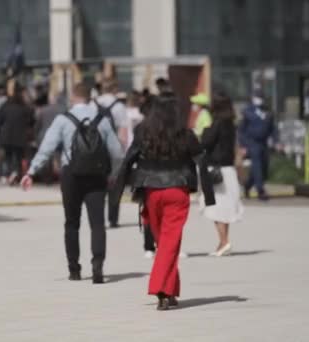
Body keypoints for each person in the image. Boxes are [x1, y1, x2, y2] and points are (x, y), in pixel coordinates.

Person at [111, 94, 215, 310]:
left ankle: (170, 292)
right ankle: (161, 290)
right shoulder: (185, 134)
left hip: (151, 192)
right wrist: (209, 193)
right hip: (177, 191)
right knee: (169, 244)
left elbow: (128, 160)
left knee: (165, 244)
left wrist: (116, 193)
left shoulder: (142, 132)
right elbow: (201, 160)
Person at [21, 83, 123, 284]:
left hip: (71, 176)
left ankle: (74, 269)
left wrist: (31, 171)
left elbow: (46, 148)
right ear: (90, 97)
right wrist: (114, 174)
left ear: (72, 98)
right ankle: (98, 266)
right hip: (97, 175)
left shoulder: (62, 119)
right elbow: (117, 152)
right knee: (98, 223)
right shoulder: (102, 119)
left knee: (71, 223)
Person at [200, 91, 245, 256]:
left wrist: (204, 131)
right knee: (225, 208)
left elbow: (206, 142)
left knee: (215, 208)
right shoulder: (231, 124)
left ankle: (225, 241)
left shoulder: (217, 124)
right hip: (228, 169)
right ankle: (222, 242)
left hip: (216, 170)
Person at [96, 78, 129, 228]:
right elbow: (123, 132)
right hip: (114, 149)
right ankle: (113, 218)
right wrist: (123, 151)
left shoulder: (94, 103)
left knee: (97, 184)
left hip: (96, 149)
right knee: (115, 184)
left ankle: (97, 216)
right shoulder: (119, 106)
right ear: (115, 89)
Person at [239, 92, 277, 200]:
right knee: (257, 166)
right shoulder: (248, 112)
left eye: (261, 98)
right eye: (257, 97)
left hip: (264, 143)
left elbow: (272, 129)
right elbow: (241, 130)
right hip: (252, 143)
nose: (259, 100)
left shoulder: (268, 112)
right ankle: (260, 190)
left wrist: (276, 141)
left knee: (263, 167)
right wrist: (243, 146)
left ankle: (248, 185)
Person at [0, 85, 35, 184]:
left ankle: (7, 174)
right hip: (20, 137)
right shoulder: (24, 107)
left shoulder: (5, 106)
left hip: (6, 136)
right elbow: (31, 120)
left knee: (7, 157)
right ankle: (16, 174)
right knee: (19, 158)